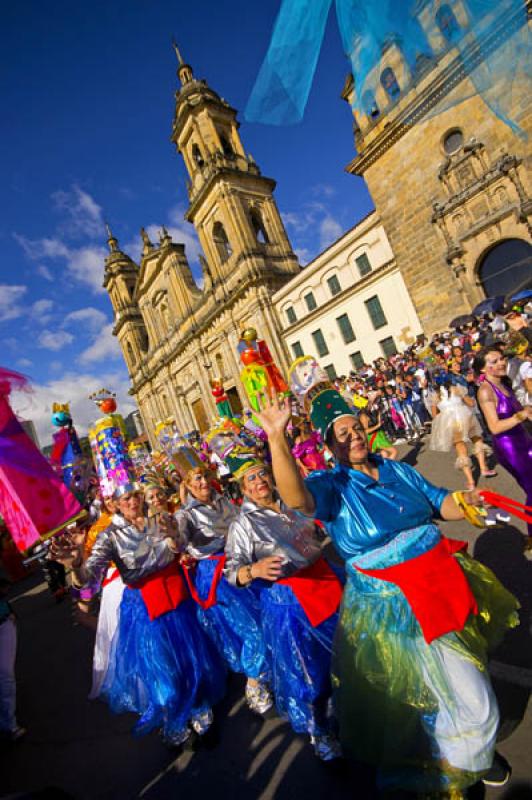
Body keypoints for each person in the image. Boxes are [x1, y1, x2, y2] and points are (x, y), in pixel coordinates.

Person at [255, 389, 518, 794]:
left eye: (357, 428)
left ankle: (468, 753)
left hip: (441, 580)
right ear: (328, 446)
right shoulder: (331, 484)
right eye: (343, 433)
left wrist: (467, 502)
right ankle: (463, 763)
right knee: (446, 694)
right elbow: (295, 497)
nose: (355, 436)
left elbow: (439, 502)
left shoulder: (398, 470)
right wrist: (276, 437)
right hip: (393, 603)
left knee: (458, 680)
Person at [52, 485, 226, 746]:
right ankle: (175, 717)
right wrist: (77, 566)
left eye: (135, 495)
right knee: (163, 668)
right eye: (125, 498)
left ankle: (198, 707)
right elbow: (89, 583)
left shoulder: (161, 518)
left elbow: (179, 548)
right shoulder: (109, 537)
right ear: (114, 503)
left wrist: (175, 537)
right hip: (146, 607)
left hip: (179, 600)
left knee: (192, 656)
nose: (132, 501)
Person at [225, 457, 343, 761]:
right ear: (243, 489)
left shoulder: (292, 500)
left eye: (261, 473)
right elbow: (231, 571)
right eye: (250, 479)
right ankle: (322, 731)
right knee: (310, 672)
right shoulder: (243, 524)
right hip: (291, 604)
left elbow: (319, 529)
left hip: (326, 581)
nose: (259, 481)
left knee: (348, 655)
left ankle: (352, 710)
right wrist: (254, 570)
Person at [175, 465, 272, 715]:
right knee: (252, 629)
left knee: (267, 617)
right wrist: (171, 538)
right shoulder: (185, 514)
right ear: (187, 483)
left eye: (206, 475)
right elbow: (177, 541)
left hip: (241, 565)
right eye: (197, 477)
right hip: (218, 578)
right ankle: (253, 684)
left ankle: (263, 670)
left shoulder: (223, 500)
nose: (204, 481)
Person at [475, 344, 532, 551]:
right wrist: (521, 416)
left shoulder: (503, 384)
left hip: (524, 439)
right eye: (494, 361)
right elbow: (494, 427)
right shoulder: (485, 391)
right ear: (483, 369)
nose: (501, 363)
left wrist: (526, 411)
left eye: (501, 359)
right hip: (510, 448)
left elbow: (518, 414)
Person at [430, 366, 495, 489]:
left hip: (451, 424)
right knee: (477, 440)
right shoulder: (457, 388)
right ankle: (484, 468)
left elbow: (435, 416)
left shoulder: (435, 396)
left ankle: (471, 482)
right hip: (466, 417)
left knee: (461, 450)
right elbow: (471, 403)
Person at [0, 578, 25, 742]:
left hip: (3, 623)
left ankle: (9, 723)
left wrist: (9, 611)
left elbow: (5, 584)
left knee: (5, 674)